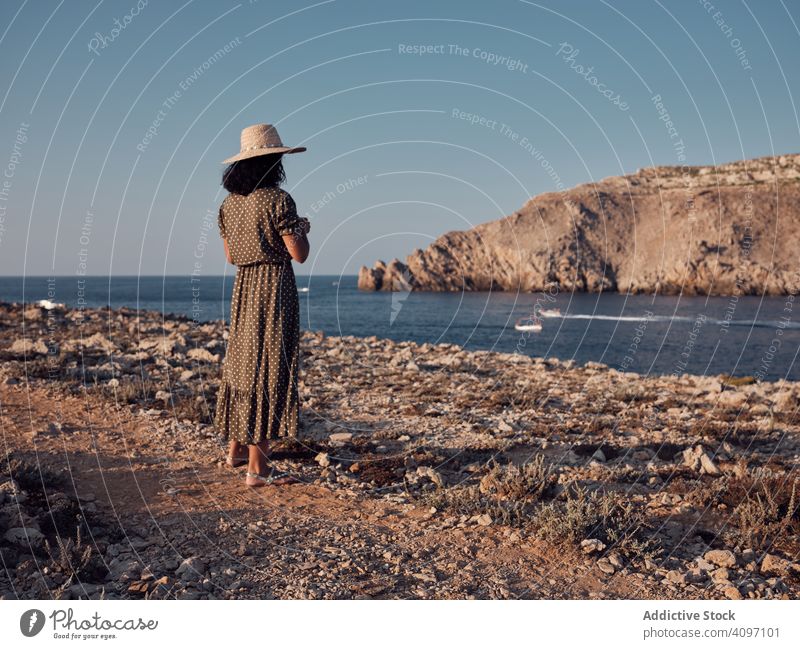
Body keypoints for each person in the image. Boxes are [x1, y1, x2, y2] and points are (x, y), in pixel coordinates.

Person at [213, 123, 310, 487]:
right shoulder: (279, 200)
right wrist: (301, 227)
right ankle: (259, 469)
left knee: (242, 365)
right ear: (274, 162)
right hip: (274, 289)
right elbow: (298, 255)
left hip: (244, 288)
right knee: (269, 367)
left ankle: (236, 450)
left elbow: (230, 255)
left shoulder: (228, 205)